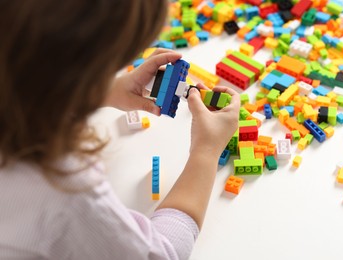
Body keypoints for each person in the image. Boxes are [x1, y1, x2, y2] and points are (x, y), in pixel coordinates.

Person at [0, 1, 240, 259]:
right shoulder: (67, 193)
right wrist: (205, 151)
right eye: (110, 69)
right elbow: (160, 255)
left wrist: (105, 90)